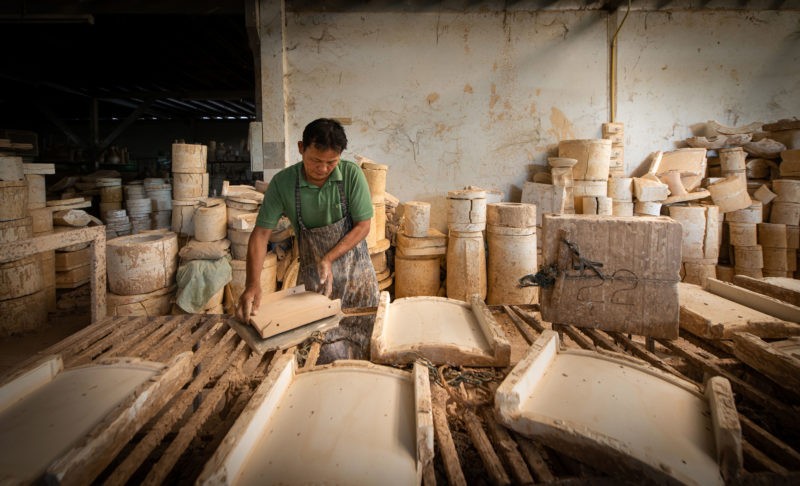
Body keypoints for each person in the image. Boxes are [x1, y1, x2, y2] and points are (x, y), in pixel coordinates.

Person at [236, 118, 379, 363]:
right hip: (317, 284)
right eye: (315, 160)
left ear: (340, 156)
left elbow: (363, 226)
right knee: (319, 352)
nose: (323, 169)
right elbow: (260, 235)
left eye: (331, 162)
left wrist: (329, 257)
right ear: (301, 148)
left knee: (366, 349)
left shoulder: (351, 175)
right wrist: (252, 284)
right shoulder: (284, 183)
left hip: (358, 280)